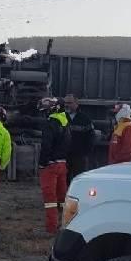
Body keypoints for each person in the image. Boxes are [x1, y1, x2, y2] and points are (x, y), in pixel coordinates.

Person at [38, 97, 71, 234]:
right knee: (62, 197)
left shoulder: (51, 122)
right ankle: (66, 224)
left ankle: (51, 227)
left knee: (50, 198)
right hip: (62, 164)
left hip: (51, 165)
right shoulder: (65, 121)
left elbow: (46, 145)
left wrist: (42, 162)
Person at [63, 94, 96, 184]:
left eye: (69, 103)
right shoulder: (60, 118)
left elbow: (91, 138)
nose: (66, 105)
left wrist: (85, 153)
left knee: (79, 180)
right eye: (65, 103)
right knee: (64, 181)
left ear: (76, 104)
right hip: (63, 156)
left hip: (79, 157)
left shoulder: (85, 119)